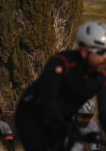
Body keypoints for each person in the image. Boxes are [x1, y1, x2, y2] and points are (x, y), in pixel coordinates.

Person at [15, 21, 106, 151]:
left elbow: (104, 113)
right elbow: (49, 100)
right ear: (85, 52)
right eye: (102, 52)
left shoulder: (102, 74)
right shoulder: (62, 63)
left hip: (62, 118)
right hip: (31, 114)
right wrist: (66, 129)